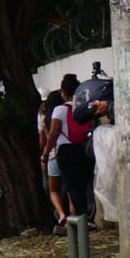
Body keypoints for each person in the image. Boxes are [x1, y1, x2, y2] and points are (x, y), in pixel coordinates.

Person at [43, 73, 94, 219]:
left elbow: (53, 134)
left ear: (63, 92)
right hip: (84, 149)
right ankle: (83, 218)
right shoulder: (84, 108)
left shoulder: (60, 110)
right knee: (82, 187)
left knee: (71, 188)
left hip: (66, 151)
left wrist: (45, 154)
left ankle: (77, 222)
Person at [41, 88, 69, 225]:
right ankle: (74, 216)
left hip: (52, 156)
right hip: (69, 152)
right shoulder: (67, 112)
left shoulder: (45, 119)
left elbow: (43, 141)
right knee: (70, 188)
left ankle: (61, 213)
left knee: (53, 190)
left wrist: (44, 155)